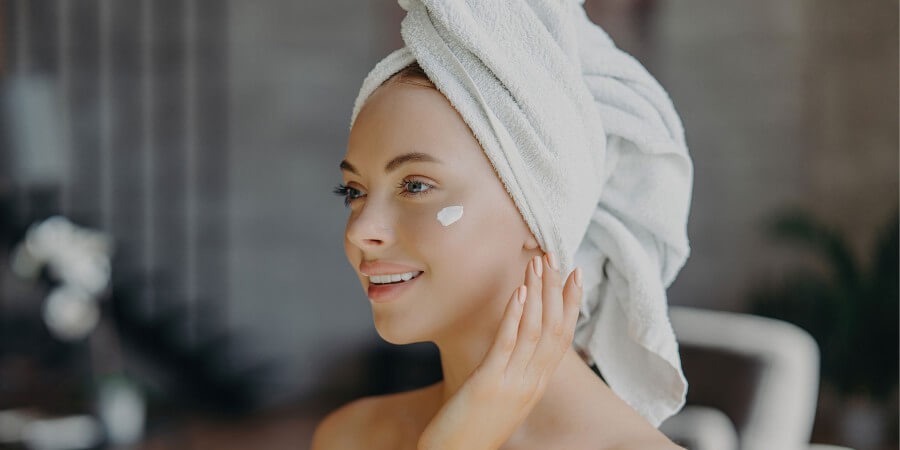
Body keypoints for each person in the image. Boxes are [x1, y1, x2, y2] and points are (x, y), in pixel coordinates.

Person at [311, 62, 685, 450]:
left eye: (416, 185)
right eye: (354, 192)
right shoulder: (350, 436)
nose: (360, 230)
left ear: (539, 210)